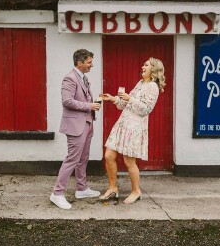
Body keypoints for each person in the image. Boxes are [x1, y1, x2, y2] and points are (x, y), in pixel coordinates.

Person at [99, 57, 166, 204]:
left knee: (129, 161)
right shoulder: (140, 83)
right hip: (122, 124)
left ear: (153, 70)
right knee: (109, 155)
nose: (143, 66)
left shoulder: (152, 87)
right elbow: (125, 105)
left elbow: (146, 109)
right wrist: (113, 99)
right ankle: (113, 188)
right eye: (143, 64)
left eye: (146, 65)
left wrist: (130, 99)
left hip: (135, 127)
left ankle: (136, 192)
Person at [50, 49, 102, 210]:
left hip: (87, 123)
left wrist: (94, 101)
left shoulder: (83, 78)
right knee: (72, 159)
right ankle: (57, 194)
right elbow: (67, 101)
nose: (91, 65)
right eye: (89, 62)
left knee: (83, 158)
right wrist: (89, 105)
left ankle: (81, 188)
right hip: (75, 126)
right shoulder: (70, 78)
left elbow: (81, 97)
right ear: (79, 63)